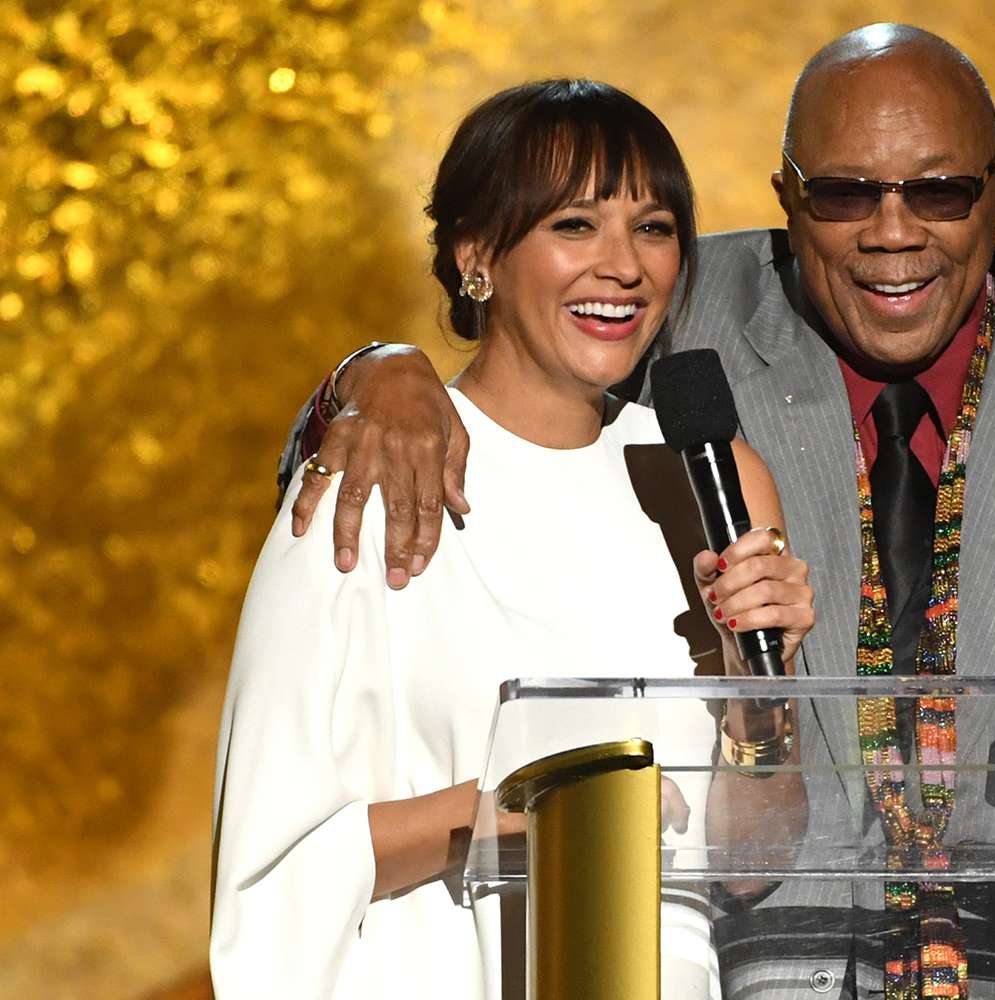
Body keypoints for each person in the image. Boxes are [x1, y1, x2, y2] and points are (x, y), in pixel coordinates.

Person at [278, 25, 995, 1000]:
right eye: (847, 193)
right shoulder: (674, 298)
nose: (893, 234)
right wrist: (370, 377)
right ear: (789, 201)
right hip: (733, 968)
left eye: (939, 191)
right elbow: (501, 347)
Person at [211, 79, 814, 999]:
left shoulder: (712, 477)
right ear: (477, 254)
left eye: (653, 229)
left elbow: (747, 865)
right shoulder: (379, 468)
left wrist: (760, 693)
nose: (624, 266)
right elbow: (270, 863)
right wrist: (516, 814)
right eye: (575, 225)